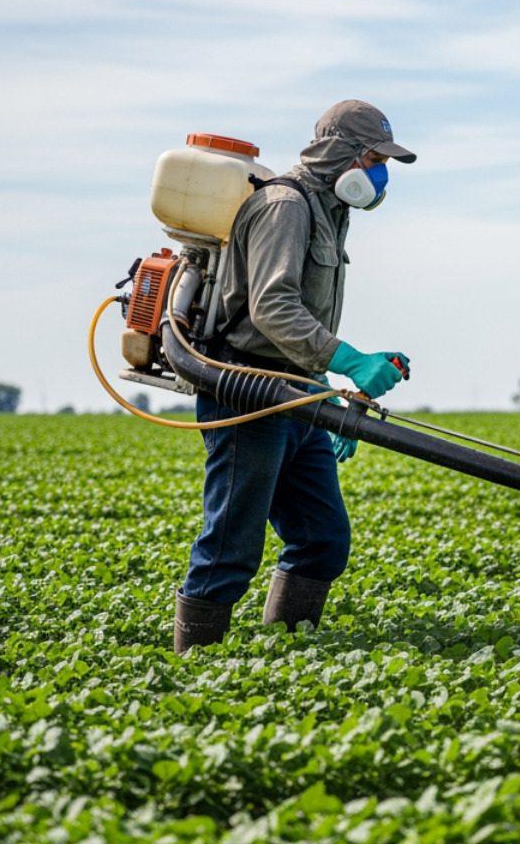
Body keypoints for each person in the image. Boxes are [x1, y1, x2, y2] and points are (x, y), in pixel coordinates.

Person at [173, 100, 415, 653]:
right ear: (341, 154)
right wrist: (351, 360)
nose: (381, 174)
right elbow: (273, 308)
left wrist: (328, 387)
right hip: (248, 393)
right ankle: (189, 669)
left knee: (321, 540)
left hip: (298, 395)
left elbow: (297, 323)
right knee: (231, 547)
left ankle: (288, 659)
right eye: (376, 159)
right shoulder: (285, 205)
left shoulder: (330, 210)